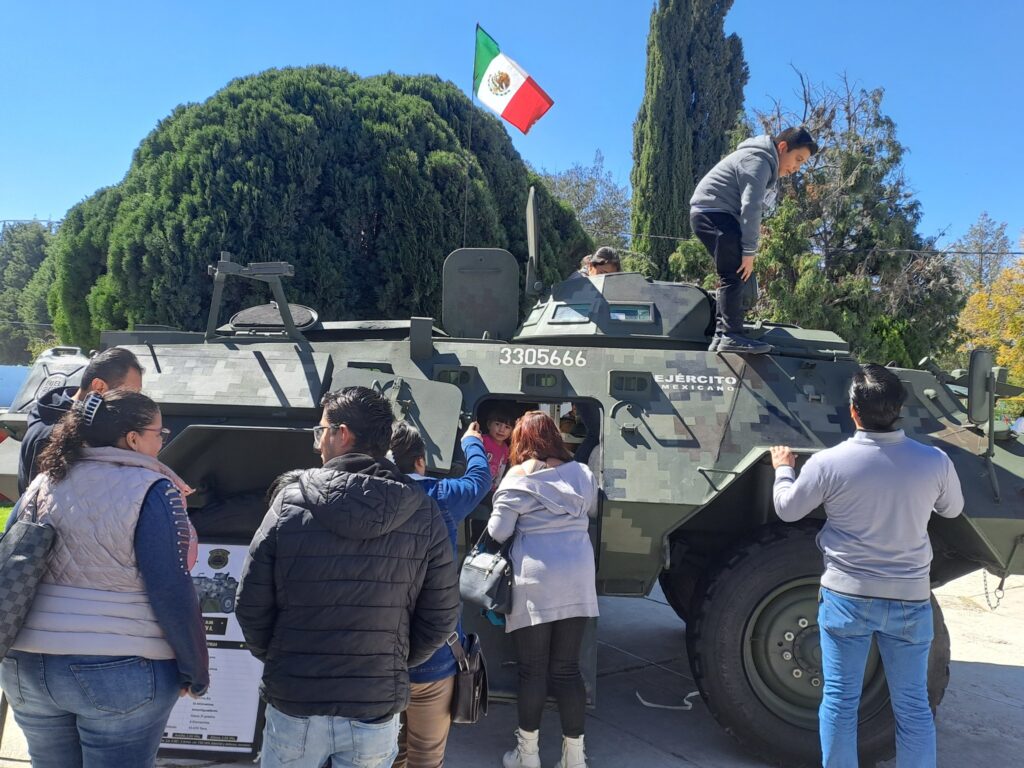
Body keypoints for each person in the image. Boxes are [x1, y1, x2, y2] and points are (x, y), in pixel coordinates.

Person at [235, 386, 459, 768]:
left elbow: (250, 604)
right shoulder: (424, 513)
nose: (318, 441)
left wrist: (282, 656)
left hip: (296, 697)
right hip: (372, 704)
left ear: (343, 433)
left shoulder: (290, 503)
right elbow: (440, 617)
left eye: (320, 430)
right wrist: (392, 660)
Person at [1, 389, 209, 768]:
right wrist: (195, 669)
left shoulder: (44, 481)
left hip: (25, 665)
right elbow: (170, 587)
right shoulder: (152, 489)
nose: (163, 441)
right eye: (160, 433)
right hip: (119, 667)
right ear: (133, 438)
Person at [770, 364, 964, 768]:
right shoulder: (935, 461)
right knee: (912, 708)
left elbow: (787, 510)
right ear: (899, 410)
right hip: (910, 599)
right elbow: (952, 509)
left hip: (847, 598)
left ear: (853, 410)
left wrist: (783, 468)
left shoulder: (829, 462)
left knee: (840, 703)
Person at [487, 411, 600, 768]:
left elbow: (498, 532)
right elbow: (593, 508)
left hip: (536, 580)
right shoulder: (582, 474)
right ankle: (574, 758)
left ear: (522, 441)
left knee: (533, 671)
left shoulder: (517, 477)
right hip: (579, 576)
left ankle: (528, 755)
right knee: (567, 669)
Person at [389, 420, 493, 768]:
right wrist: (472, 441)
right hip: (436, 654)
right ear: (421, 461)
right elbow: (480, 479)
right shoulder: (441, 495)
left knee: (388, 753)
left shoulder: (373, 496)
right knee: (426, 756)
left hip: (380, 652)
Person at [690, 127, 818, 354]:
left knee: (733, 273)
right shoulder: (759, 161)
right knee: (734, 272)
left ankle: (722, 335)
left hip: (713, 212)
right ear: (782, 147)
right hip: (714, 212)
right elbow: (751, 207)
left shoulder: (764, 161)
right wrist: (749, 251)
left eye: (802, 164)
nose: (796, 168)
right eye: (797, 159)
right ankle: (731, 335)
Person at [18, 347, 144, 494]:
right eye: (128, 394)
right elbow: (41, 502)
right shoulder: (48, 434)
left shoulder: (93, 424)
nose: (134, 403)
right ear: (99, 386)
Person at [482, 407, 515, 490]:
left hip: (490, 487)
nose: (501, 430)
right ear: (489, 424)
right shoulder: (482, 440)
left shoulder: (506, 449)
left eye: (507, 427)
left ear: (512, 431)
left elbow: (502, 467)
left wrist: (497, 483)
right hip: (478, 482)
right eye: (497, 424)